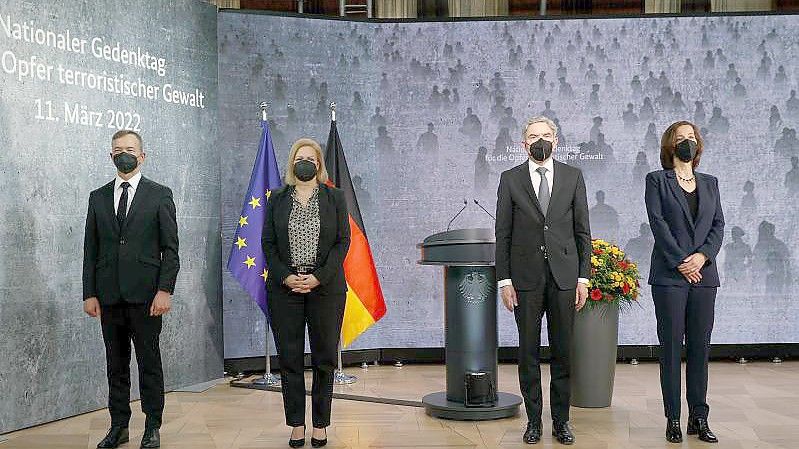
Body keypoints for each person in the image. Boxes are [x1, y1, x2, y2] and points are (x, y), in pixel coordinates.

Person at [495, 116, 591, 445]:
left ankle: (561, 421)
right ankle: (534, 421)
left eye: (546, 136)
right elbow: (503, 234)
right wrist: (504, 280)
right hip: (525, 279)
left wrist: (583, 278)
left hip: (565, 278)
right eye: (534, 136)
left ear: (556, 140)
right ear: (524, 144)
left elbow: (582, 231)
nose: (540, 141)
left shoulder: (573, 177)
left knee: (563, 351)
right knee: (528, 352)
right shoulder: (509, 179)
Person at [83, 130, 179, 449]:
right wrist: (90, 293)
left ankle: (152, 426)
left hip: (147, 297)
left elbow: (171, 249)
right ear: (111, 156)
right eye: (117, 150)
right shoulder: (97, 197)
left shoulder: (159, 194)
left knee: (149, 364)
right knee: (116, 364)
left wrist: (165, 290)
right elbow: (91, 250)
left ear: (142, 155)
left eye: (130, 149)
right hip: (109, 297)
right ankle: (118, 426)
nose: (123, 154)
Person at [262, 138, 350, 448]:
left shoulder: (335, 197)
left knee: (325, 358)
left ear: (319, 164)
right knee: (290, 359)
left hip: (325, 289)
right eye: (300, 158)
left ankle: (321, 425)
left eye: (311, 159)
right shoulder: (276, 199)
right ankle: (297, 424)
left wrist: (317, 277)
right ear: (292, 163)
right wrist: (286, 277)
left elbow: (343, 242)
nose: (305, 163)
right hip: (285, 289)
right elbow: (268, 244)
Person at [645, 121, 724, 444]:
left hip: (704, 277)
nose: (687, 143)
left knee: (700, 349)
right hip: (669, 277)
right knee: (671, 348)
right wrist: (681, 260)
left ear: (698, 145)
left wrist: (702, 258)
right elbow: (658, 223)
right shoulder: (656, 180)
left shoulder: (710, 183)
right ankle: (673, 419)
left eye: (691, 138)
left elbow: (718, 225)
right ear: (670, 145)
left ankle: (699, 417)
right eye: (681, 139)